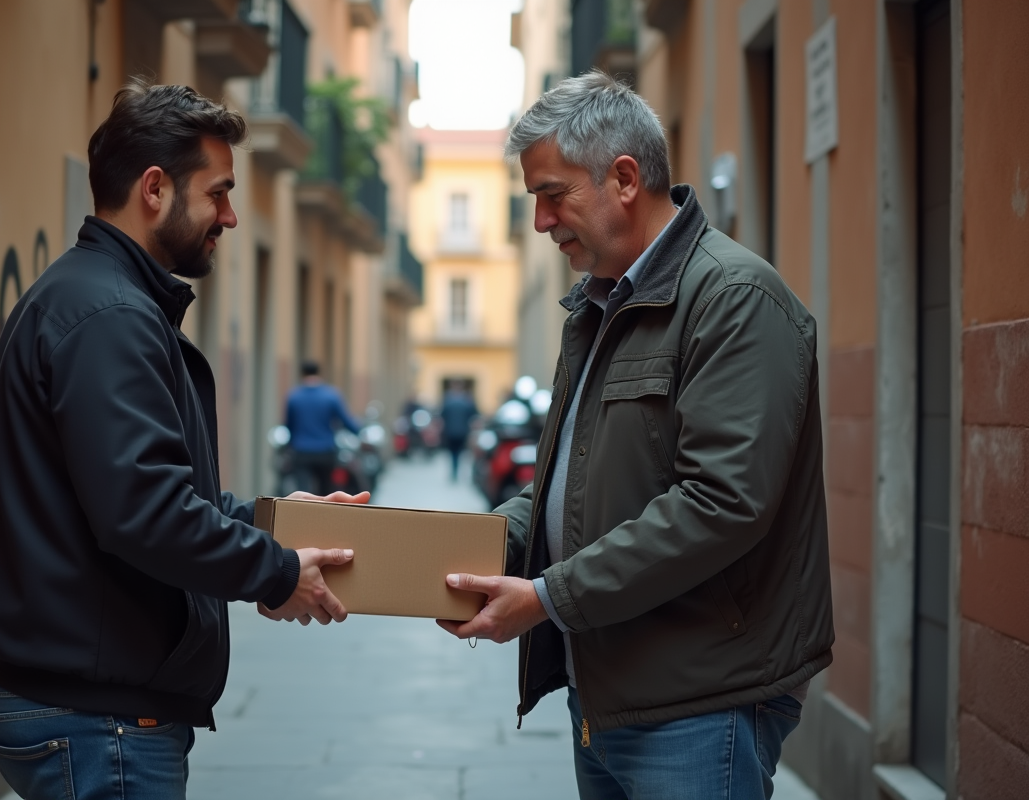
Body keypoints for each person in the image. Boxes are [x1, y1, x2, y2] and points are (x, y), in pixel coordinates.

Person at [438, 70, 834, 800]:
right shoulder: (598, 306)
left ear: (624, 179)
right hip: (608, 693)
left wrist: (548, 598)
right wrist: (453, 554)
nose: (541, 222)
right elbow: (567, 481)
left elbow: (721, 503)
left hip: (700, 703)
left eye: (552, 195)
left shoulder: (735, 299)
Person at [0, 80, 364, 800]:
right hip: (101, 723)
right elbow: (145, 512)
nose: (231, 216)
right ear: (154, 189)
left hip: (91, 713)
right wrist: (278, 572)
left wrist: (277, 524)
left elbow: (152, 492)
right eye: (218, 193)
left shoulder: (99, 300)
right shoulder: (111, 316)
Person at [284, 360, 360, 495]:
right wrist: (359, 431)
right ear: (319, 373)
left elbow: (289, 425)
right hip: (326, 451)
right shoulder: (331, 396)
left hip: (301, 451)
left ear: (302, 374)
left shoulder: (294, 397)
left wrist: (290, 446)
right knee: (325, 492)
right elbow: (346, 421)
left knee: (302, 491)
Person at [439, 381, 478, 481]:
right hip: (463, 431)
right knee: (460, 453)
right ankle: (457, 471)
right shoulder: (467, 401)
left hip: (450, 431)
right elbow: (473, 416)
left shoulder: (447, 401)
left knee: (453, 453)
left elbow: (442, 416)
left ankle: (454, 471)